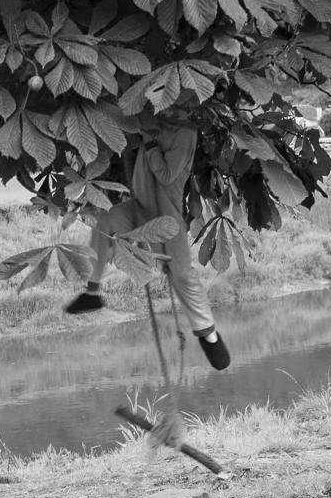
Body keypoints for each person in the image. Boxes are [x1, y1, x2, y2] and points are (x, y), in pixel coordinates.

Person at [65, 127, 231, 372]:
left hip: (166, 217)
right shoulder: (149, 122)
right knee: (105, 222)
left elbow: (166, 174)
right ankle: (92, 293)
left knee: (183, 276)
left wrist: (151, 142)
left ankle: (210, 335)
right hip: (140, 207)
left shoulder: (185, 133)